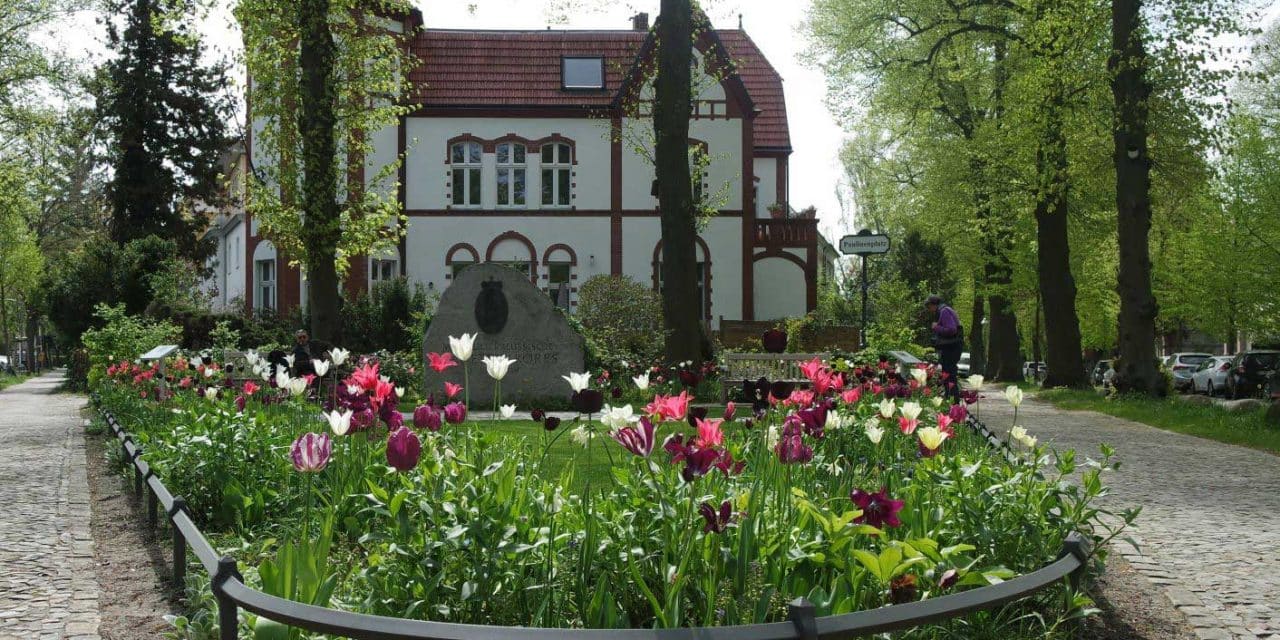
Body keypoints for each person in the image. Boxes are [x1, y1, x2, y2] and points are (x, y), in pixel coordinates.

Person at [926, 295, 964, 402]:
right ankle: (950, 400)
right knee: (948, 375)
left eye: (929, 307)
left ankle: (953, 402)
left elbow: (952, 329)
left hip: (951, 348)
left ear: (933, 305)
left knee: (949, 375)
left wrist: (936, 327)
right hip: (952, 348)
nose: (930, 310)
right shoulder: (946, 310)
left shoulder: (944, 311)